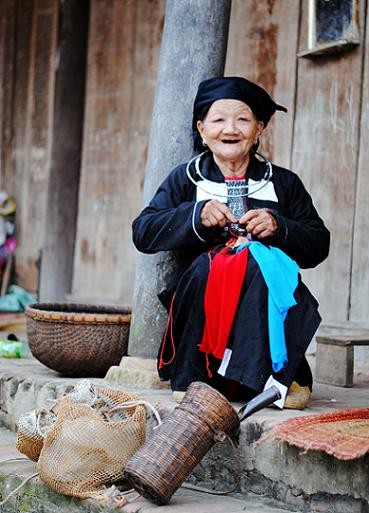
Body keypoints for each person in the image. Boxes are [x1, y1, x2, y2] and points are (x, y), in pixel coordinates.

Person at [132, 76, 330, 409]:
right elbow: (143, 231)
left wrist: (278, 226)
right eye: (219, 119)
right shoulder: (185, 179)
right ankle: (212, 375)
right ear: (202, 128)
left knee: (257, 262)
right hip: (200, 296)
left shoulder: (283, 183)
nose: (231, 128)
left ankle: (267, 375)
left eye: (242, 119)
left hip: (268, 294)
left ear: (259, 128)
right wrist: (194, 215)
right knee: (225, 262)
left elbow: (318, 243)